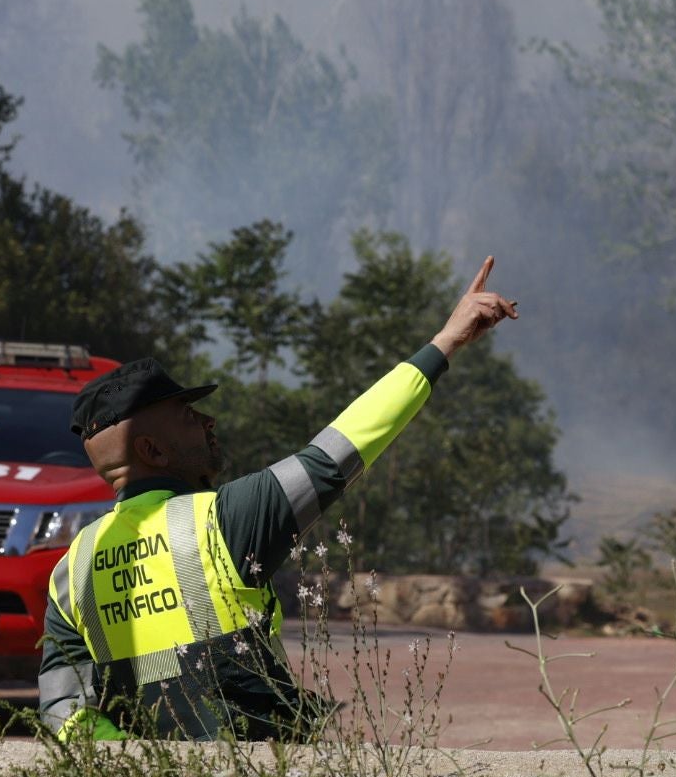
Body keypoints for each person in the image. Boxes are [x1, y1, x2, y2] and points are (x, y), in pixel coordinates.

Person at [38, 255, 519, 740]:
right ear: (150, 449)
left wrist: (141, 775)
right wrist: (445, 342)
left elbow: (62, 710)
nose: (209, 422)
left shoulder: (70, 572)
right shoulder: (226, 519)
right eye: (188, 415)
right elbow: (346, 445)